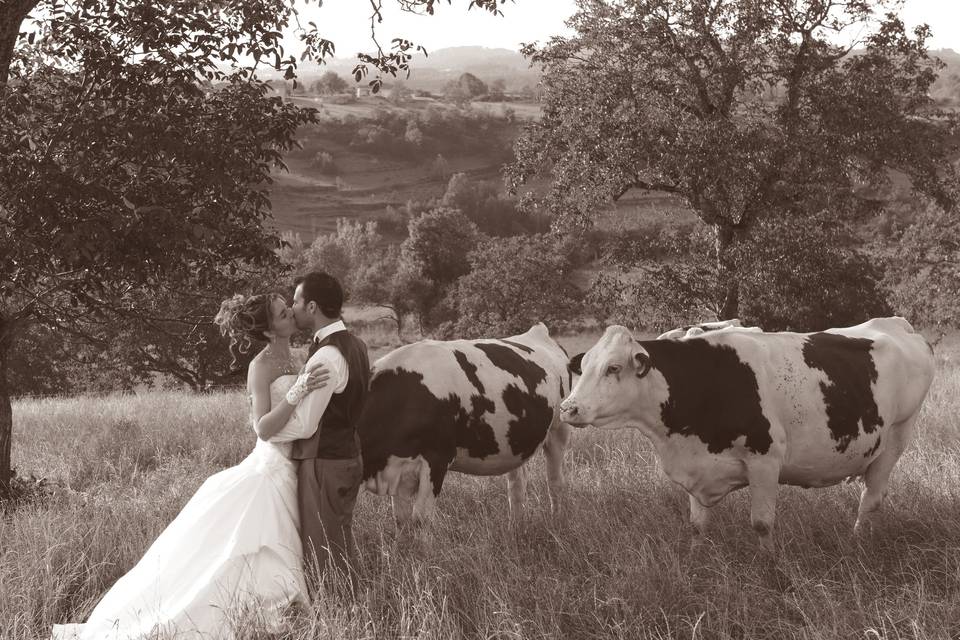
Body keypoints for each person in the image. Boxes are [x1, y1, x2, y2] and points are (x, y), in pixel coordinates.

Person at [52, 292, 330, 640]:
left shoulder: (296, 358)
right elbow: (262, 427)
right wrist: (296, 391)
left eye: (288, 309)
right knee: (254, 548)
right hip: (269, 469)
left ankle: (277, 617)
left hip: (295, 468)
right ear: (269, 330)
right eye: (282, 313)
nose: (291, 313)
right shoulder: (261, 366)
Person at [289, 271, 370, 595]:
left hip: (325, 460)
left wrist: (266, 429)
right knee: (339, 539)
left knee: (322, 545)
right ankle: (349, 604)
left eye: (295, 300)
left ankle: (337, 612)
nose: (292, 307)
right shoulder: (357, 345)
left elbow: (306, 425)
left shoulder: (326, 355)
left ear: (311, 306)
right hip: (349, 453)